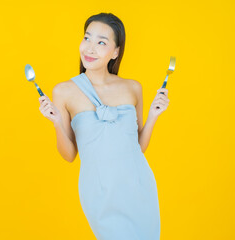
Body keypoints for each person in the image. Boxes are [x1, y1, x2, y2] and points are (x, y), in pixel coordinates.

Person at [38, 12, 169, 240]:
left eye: (101, 42)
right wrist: (57, 123)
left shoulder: (133, 88)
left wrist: (153, 116)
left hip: (138, 187)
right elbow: (69, 155)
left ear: (115, 52)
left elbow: (137, 148)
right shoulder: (64, 91)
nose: (90, 48)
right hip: (99, 191)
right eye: (87, 38)